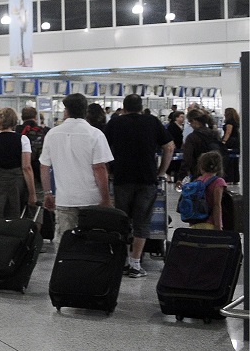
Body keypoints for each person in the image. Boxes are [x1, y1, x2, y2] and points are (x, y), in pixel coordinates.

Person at [103, 94, 173, 278]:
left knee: (121, 221)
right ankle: (135, 264)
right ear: (141, 107)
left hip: (122, 178)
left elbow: (101, 148)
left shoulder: (115, 123)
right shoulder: (152, 121)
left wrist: (109, 171)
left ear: (124, 108)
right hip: (147, 179)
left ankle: (122, 261)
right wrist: (161, 171)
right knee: (142, 222)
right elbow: (169, 147)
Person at [40, 93, 114, 239]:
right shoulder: (95, 134)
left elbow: (44, 167)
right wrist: (105, 198)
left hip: (65, 198)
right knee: (91, 240)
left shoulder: (52, 134)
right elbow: (99, 168)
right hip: (91, 199)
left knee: (65, 241)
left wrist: (48, 193)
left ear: (66, 111)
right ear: (85, 111)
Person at [189, 151, 228, 230]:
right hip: (210, 224)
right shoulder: (218, 182)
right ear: (219, 167)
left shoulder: (197, 180)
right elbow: (216, 205)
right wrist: (218, 226)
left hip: (195, 224)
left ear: (201, 166)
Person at [181, 108, 223, 180]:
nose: (190, 125)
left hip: (198, 174)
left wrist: (181, 176)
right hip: (216, 173)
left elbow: (187, 158)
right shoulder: (215, 134)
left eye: (190, 122)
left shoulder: (192, 137)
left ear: (194, 121)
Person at [165, 110, 185, 181]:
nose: (183, 119)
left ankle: (177, 177)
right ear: (176, 118)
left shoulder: (183, 127)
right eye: (181, 117)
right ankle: (168, 175)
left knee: (179, 162)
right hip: (174, 147)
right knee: (172, 161)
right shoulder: (172, 126)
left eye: (183, 117)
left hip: (180, 147)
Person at [222, 108, 240, 185]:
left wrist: (224, 141)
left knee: (228, 160)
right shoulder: (236, 122)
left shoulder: (229, 122)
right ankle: (235, 178)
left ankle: (229, 178)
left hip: (230, 142)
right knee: (235, 161)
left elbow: (228, 132)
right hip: (236, 142)